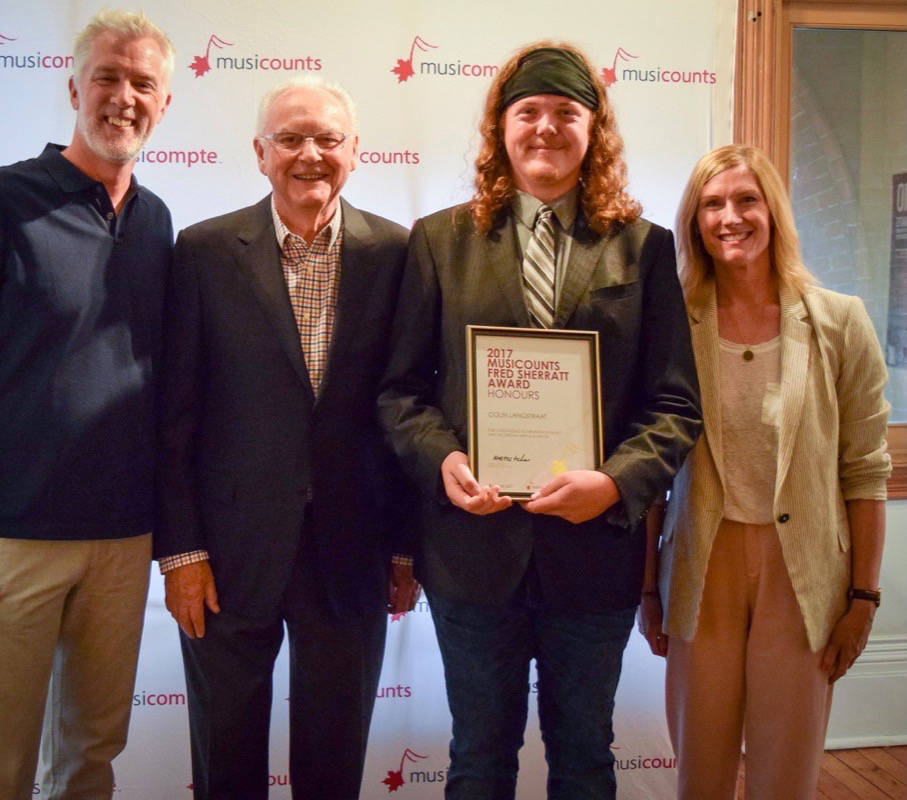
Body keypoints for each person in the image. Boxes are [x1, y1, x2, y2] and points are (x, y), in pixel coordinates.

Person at [377, 42, 702, 799]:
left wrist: (616, 484)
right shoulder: (439, 241)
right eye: (528, 112)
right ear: (502, 128)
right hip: (471, 554)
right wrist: (443, 464)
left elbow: (675, 403)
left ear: (595, 130)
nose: (546, 129)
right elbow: (400, 392)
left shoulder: (643, 248)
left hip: (593, 558)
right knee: (477, 761)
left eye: (566, 112)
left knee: (585, 759)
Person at [0, 9, 174, 799]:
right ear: (73, 87)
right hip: (8, 545)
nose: (122, 96)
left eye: (142, 83)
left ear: (164, 103)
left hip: (125, 542)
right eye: (107, 77)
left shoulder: (157, 221)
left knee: (89, 765)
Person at [155, 74, 417, 800]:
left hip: (353, 548)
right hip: (226, 552)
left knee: (334, 763)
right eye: (291, 139)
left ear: (355, 151)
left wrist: (404, 546)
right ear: (259, 153)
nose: (310, 154)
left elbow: (408, 411)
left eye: (328, 139)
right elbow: (175, 415)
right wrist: (180, 552)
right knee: (224, 756)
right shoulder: (203, 252)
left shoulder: (398, 255)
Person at [638, 144, 891, 799]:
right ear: (693, 221)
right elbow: (649, 471)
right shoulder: (669, 325)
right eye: (711, 204)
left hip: (803, 573)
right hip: (699, 565)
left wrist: (863, 600)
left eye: (745, 200)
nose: (730, 217)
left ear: (773, 212)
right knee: (701, 768)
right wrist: (646, 591)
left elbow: (864, 472)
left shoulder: (840, 322)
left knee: (787, 771)